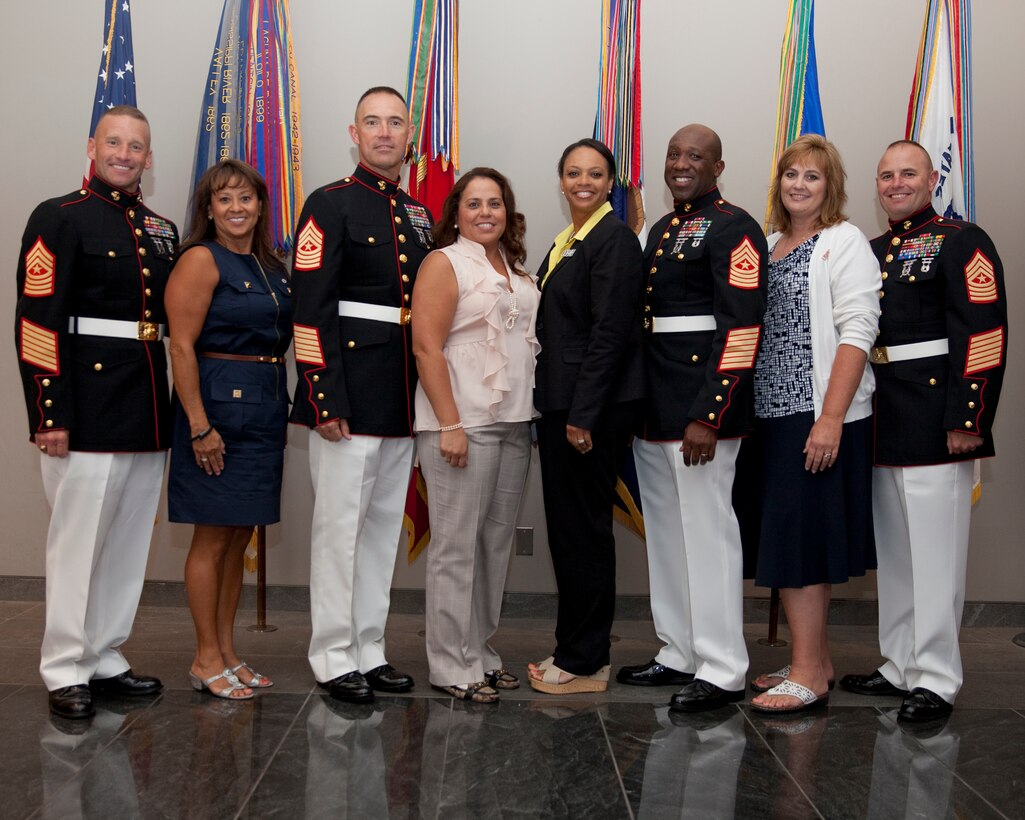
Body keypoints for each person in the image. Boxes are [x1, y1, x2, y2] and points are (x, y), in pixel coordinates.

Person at [14, 106, 176, 719]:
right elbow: (36, 320)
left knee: (128, 542)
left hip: (143, 404)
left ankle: (105, 654)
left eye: (137, 146)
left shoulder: (159, 229)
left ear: (149, 157)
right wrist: (49, 410)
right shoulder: (58, 217)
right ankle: (64, 667)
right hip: (83, 403)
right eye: (115, 142)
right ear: (92, 145)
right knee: (78, 543)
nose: (125, 154)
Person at [840, 140, 1007, 722]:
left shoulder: (964, 241)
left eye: (907, 173)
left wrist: (969, 418)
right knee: (899, 555)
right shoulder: (874, 248)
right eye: (885, 175)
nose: (895, 183)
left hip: (938, 422)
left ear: (932, 178)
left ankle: (936, 678)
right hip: (884, 419)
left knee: (935, 556)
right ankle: (900, 664)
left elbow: (982, 333)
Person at [290, 86, 432, 703]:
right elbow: (310, 311)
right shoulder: (329, 204)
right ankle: (332, 653)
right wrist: (324, 398)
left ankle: (369, 649)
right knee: (339, 531)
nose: (383, 133)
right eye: (371, 122)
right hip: (346, 396)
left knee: (379, 533)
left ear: (410, 134)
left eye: (394, 123)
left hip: (401, 397)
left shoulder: (419, 213)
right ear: (354, 132)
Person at [621, 124, 767, 712]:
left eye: (695, 156)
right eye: (674, 154)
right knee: (666, 533)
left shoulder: (736, 227)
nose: (682, 164)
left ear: (718, 165)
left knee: (707, 533)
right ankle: (679, 649)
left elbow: (740, 329)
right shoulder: (661, 228)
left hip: (701, 411)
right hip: (655, 406)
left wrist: (711, 412)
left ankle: (723, 663)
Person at [743, 135, 880, 714]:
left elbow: (858, 331)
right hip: (770, 416)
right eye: (791, 174)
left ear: (831, 187)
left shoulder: (844, 242)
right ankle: (815, 659)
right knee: (789, 540)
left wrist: (830, 419)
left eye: (813, 177)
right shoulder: (770, 243)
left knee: (802, 546)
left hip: (814, 414)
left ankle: (808, 675)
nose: (799, 184)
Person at [165, 159, 292, 700]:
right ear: (208, 210)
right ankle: (203, 657)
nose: (236, 208)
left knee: (239, 536)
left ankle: (227, 650)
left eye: (246, 198)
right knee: (212, 536)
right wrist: (199, 427)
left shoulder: (272, 266)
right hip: (215, 409)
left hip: (263, 407)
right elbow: (180, 345)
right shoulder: (200, 260)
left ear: (261, 206)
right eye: (224, 199)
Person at [412, 168, 539, 703]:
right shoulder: (444, 263)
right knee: (456, 548)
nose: (485, 212)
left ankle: (480, 652)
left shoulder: (514, 267)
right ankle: (449, 663)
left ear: (507, 211)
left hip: (515, 422)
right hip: (462, 424)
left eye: (495, 203)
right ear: (456, 212)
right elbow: (426, 347)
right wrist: (450, 424)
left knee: (493, 546)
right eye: (473, 204)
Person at [527, 138, 645, 694]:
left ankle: (584, 659)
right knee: (570, 532)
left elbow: (611, 334)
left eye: (595, 174)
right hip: (564, 404)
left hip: (586, 411)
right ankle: (574, 648)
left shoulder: (614, 239)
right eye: (573, 172)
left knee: (583, 533)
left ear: (610, 182)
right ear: (561, 180)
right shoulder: (570, 239)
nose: (583, 182)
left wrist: (583, 414)